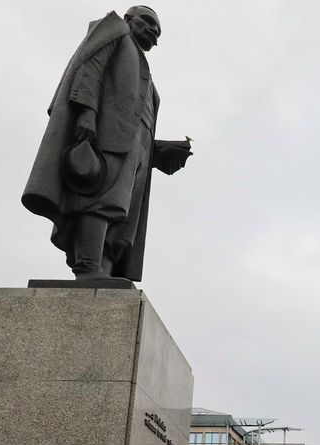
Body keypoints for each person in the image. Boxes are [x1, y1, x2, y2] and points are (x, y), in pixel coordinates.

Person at [22, 6, 192, 282]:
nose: (153, 33)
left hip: (135, 150)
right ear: (128, 19)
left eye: (158, 32)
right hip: (107, 135)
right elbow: (90, 69)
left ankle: (104, 269)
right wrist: (86, 114)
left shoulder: (146, 72)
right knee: (100, 198)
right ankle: (88, 267)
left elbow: (138, 120)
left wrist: (158, 151)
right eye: (148, 23)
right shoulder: (116, 32)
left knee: (122, 214)